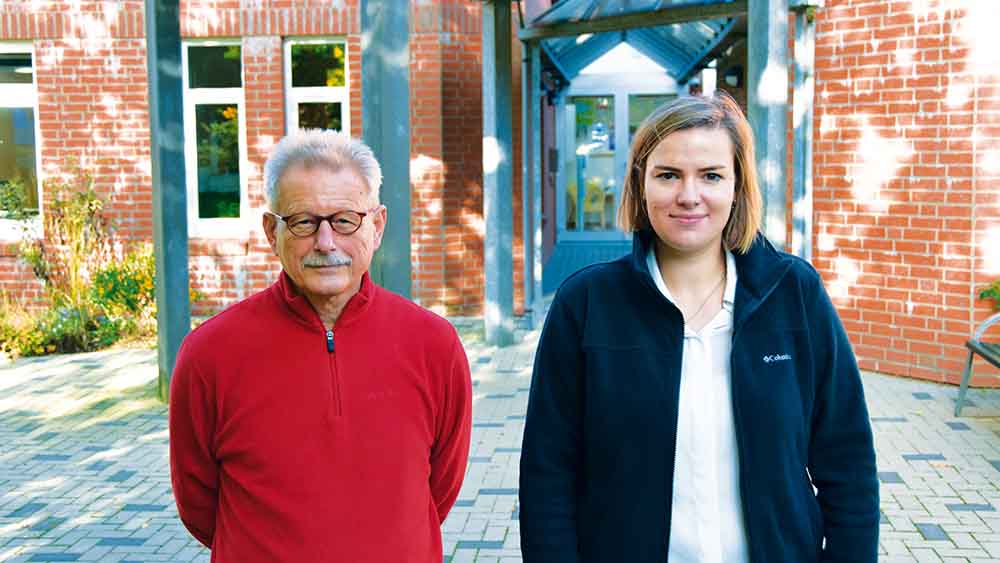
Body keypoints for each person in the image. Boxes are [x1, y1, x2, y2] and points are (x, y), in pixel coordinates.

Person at [519, 93, 878, 563]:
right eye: (668, 175)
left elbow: (847, 462)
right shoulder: (585, 304)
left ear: (737, 186)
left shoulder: (794, 294)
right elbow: (548, 475)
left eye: (711, 175)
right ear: (640, 185)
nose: (689, 195)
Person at [169, 129, 473, 562]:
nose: (326, 243)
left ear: (378, 225)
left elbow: (439, 487)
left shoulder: (434, 346)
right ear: (272, 231)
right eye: (304, 222)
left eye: (345, 220)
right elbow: (199, 504)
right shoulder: (209, 353)